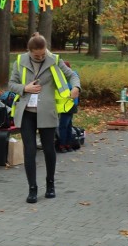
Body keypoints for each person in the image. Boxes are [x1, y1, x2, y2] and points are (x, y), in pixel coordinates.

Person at [9, 33, 81, 203]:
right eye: (36, 55)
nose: (40, 58)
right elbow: (11, 84)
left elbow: (72, 75)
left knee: (49, 149)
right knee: (30, 149)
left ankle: (50, 184)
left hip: (47, 111)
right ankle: (32, 188)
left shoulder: (54, 60)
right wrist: (24, 88)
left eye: (42, 54)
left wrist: (76, 87)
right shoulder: (20, 62)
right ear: (30, 51)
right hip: (27, 112)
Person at [56, 60, 80, 153]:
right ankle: (68, 144)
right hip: (73, 104)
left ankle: (62, 145)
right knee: (69, 125)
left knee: (63, 126)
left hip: (66, 105)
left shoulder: (66, 79)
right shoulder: (74, 76)